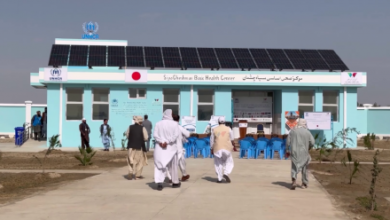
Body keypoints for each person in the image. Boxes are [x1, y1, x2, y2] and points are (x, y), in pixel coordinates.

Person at [153, 109, 181, 191]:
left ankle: (159, 183)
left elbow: (155, 135)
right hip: (171, 148)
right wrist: (167, 142)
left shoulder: (158, 123)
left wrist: (161, 142)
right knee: (173, 165)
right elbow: (175, 135)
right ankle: (175, 182)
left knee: (159, 165)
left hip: (160, 147)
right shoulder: (175, 124)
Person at [286, 118, 314, 190]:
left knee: (294, 167)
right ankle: (304, 183)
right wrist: (309, 147)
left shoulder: (293, 131)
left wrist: (287, 150)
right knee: (304, 168)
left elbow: (288, 142)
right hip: (304, 152)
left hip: (294, 152)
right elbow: (312, 142)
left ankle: (294, 181)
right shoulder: (307, 132)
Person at [210, 117, 234, 183]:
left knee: (218, 164)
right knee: (229, 162)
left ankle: (219, 179)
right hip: (227, 149)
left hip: (217, 149)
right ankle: (226, 173)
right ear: (224, 122)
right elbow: (232, 139)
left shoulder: (214, 129)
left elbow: (212, 140)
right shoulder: (229, 129)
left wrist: (211, 148)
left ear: (218, 122)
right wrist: (234, 146)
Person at [126, 116, 149, 180]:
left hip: (130, 146)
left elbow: (127, 135)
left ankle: (130, 172)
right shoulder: (142, 128)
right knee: (139, 161)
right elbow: (146, 138)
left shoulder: (130, 127)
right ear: (140, 122)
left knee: (130, 160)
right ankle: (137, 175)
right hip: (139, 147)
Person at [172, 114, 190, 181]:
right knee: (180, 162)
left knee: (173, 162)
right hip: (178, 147)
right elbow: (188, 134)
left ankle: (183, 175)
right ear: (178, 119)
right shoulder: (179, 127)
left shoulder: (169, 127)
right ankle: (175, 176)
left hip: (170, 147)